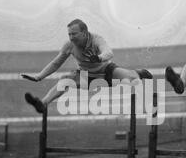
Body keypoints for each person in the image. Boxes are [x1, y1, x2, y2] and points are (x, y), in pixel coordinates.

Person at [21, 19, 152, 112]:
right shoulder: (69, 45)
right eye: (69, 34)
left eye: (74, 34)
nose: (71, 37)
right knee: (64, 80)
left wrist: (99, 57)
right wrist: (39, 77)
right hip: (86, 76)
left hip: (106, 71)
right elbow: (56, 63)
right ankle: (42, 104)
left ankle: (139, 73)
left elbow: (109, 52)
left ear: (84, 33)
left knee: (129, 78)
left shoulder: (96, 39)